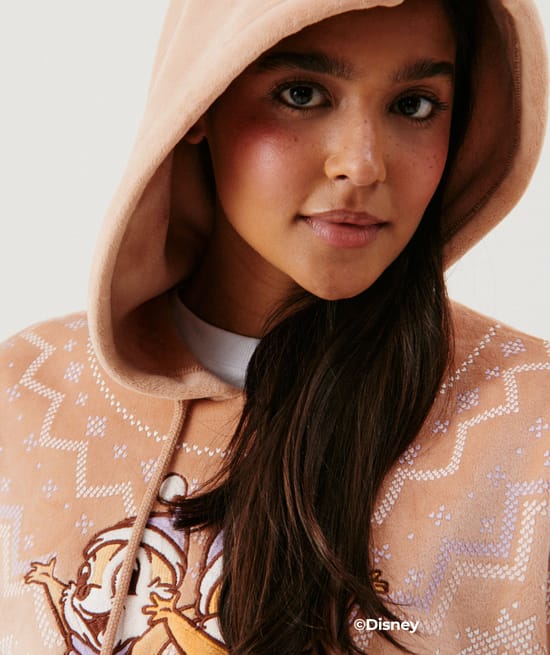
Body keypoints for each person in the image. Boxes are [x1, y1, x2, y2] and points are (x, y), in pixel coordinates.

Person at [0, 0, 548, 653]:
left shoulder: (531, 429)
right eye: (301, 94)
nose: (361, 165)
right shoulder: (23, 398)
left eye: (414, 105)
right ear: (200, 102)